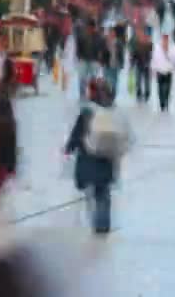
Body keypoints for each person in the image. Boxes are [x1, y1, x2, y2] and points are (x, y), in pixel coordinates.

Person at [64, 79, 119, 234]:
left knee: (91, 194)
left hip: (88, 158)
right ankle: (103, 224)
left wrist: (70, 147)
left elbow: (77, 132)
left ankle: (96, 223)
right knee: (103, 194)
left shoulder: (87, 112)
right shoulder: (111, 112)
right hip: (105, 159)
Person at [151, 34, 175, 112]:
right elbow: (154, 58)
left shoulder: (172, 47)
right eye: (164, 39)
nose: (165, 41)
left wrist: (168, 52)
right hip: (159, 71)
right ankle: (162, 103)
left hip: (168, 71)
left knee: (167, 88)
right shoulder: (157, 47)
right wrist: (153, 68)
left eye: (166, 39)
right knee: (160, 88)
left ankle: (166, 100)